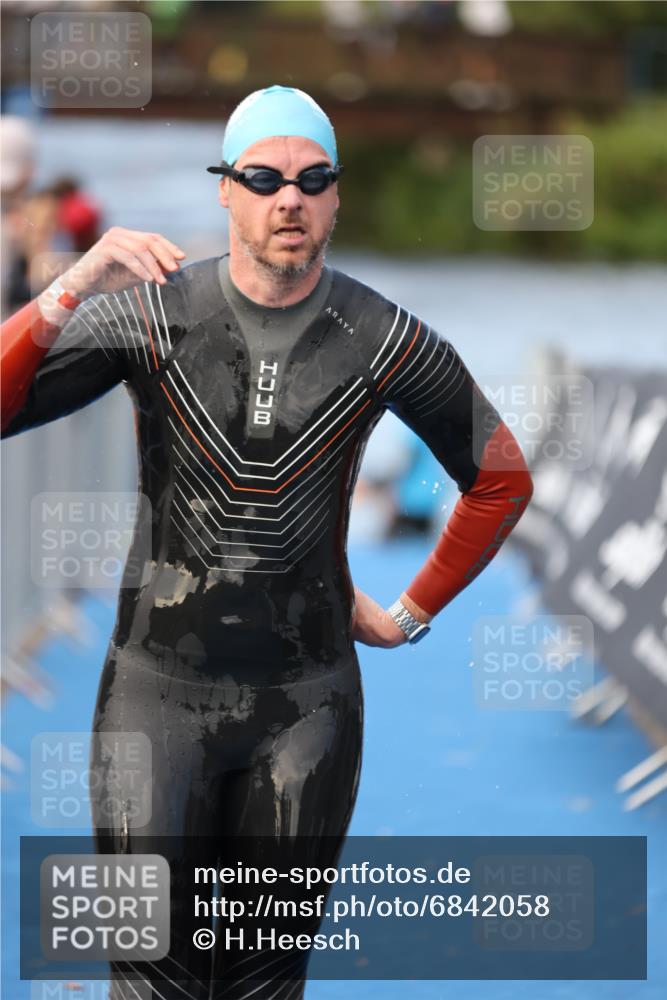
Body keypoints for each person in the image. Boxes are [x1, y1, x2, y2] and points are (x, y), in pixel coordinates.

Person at [1, 85, 532, 999]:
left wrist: (412, 611)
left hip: (306, 708)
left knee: (262, 984)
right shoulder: (153, 314)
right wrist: (74, 281)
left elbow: (501, 479)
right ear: (225, 189)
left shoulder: (382, 338)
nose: (289, 198)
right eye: (264, 178)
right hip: (152, 696)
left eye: (312, 179)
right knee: (148, 980)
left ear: (336, 196)